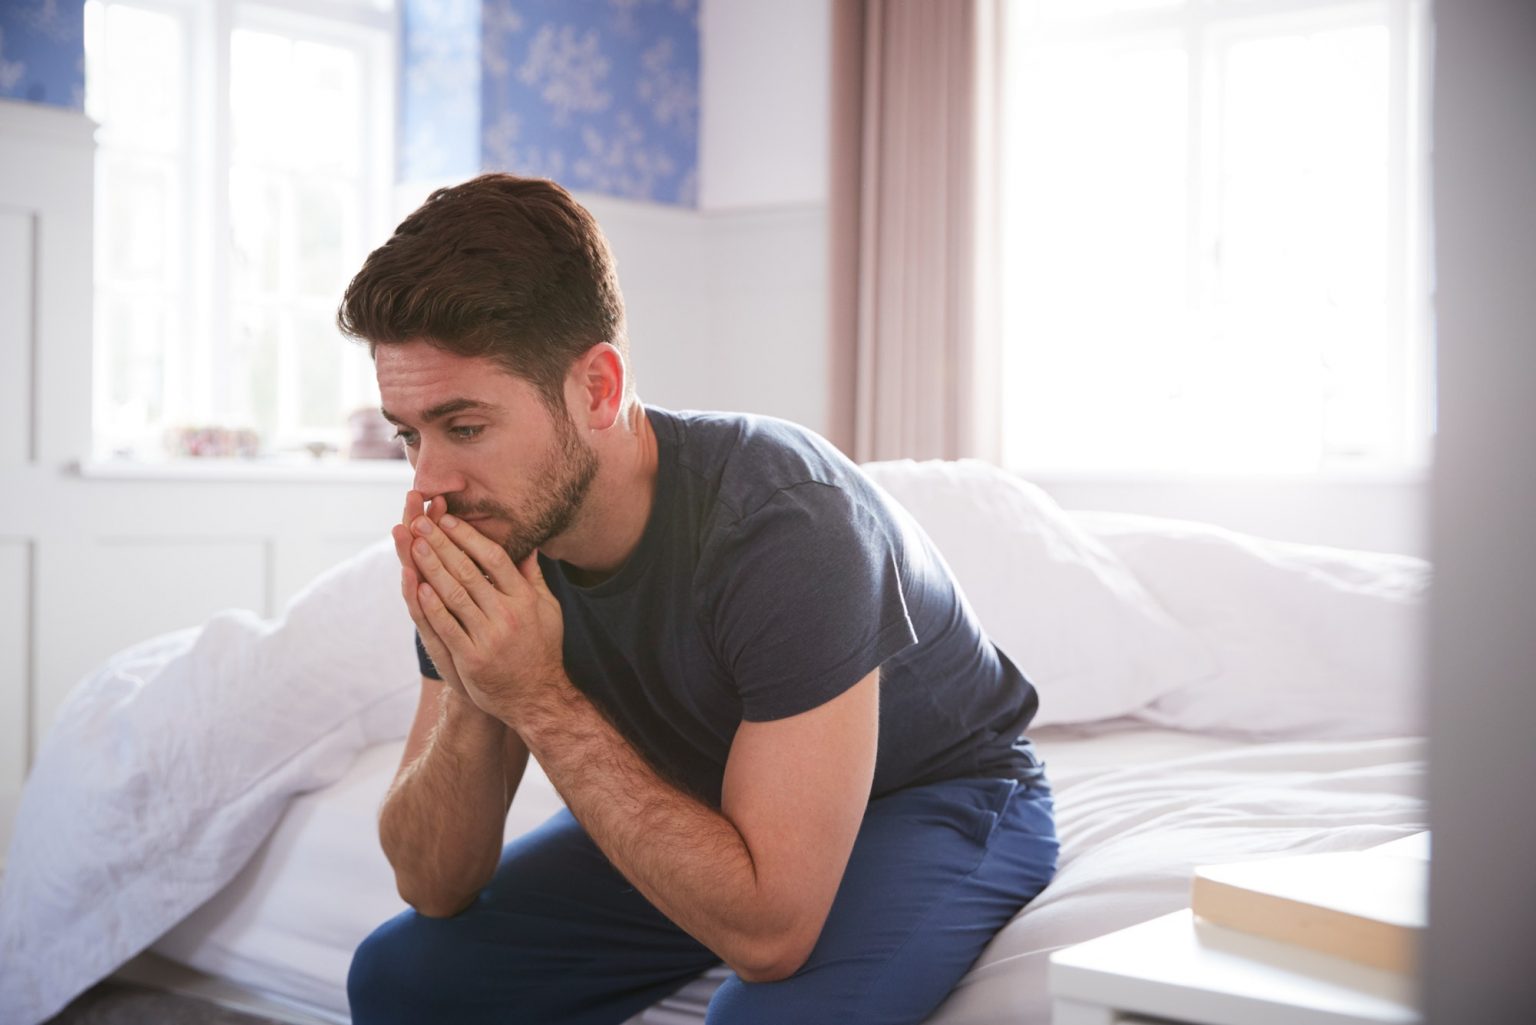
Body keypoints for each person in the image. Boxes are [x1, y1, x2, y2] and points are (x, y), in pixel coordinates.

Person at [337, 173, 1057, 1025]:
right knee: (399, 978)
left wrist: (539, 696)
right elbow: (432, 882)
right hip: (712, 805)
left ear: (598, 389)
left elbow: (770, 938)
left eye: (465, 428)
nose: (432, 483)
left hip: (935, 792)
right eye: (408, 435)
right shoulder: (491, 525)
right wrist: (474, 680)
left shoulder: (786, 521)